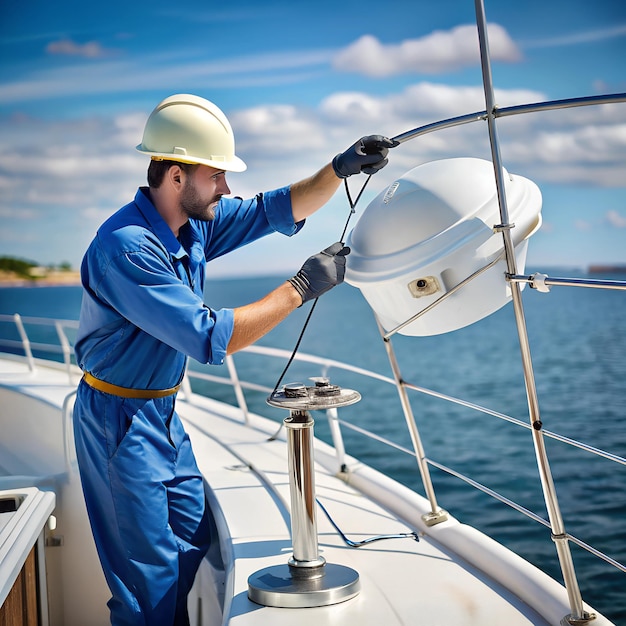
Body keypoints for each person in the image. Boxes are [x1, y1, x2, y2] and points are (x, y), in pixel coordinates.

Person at [72, 93, 396, 626]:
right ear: (176, 176)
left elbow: (277, 207)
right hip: (117, 424)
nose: (226, 187)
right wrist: (299, 287)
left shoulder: (191, 223)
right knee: (144, 585)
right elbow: (209, 338)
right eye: (216, 175)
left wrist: (339, 169)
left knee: (193, 533)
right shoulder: (127, 246)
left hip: (161, 414)